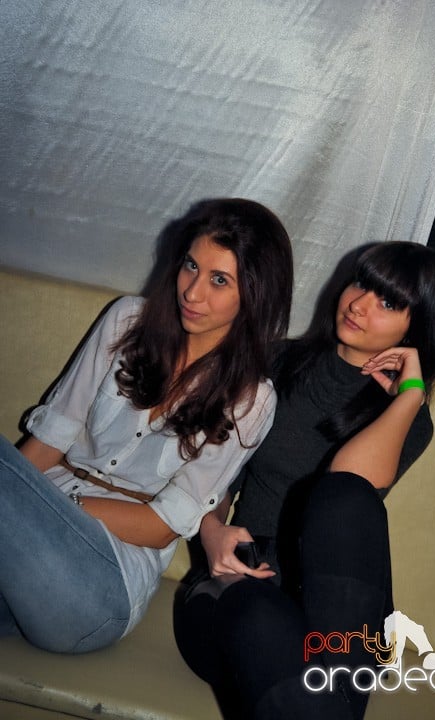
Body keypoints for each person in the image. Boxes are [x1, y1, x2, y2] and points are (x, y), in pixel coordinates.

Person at [173, 241, 435, 720]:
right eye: (361, 284)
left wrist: (409, 398)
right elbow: (216, 473)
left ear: (418, 328)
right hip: (238, 586)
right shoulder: (274, 363)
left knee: (345, 497)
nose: (359, 304)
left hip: (334, 606)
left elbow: (347, 488)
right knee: (262, 616)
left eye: (388, 302)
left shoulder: (409, 418)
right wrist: (211, 530)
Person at [0, 197, 294, 654]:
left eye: (219, 280)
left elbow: (163, 525)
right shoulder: (127, 321)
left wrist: (52, 505)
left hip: (100, 585)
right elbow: (51, 438)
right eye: (191, 266)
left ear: (254, 296)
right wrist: (21, 505)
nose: (192, 293)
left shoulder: (250, 400)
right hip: (23, 561)